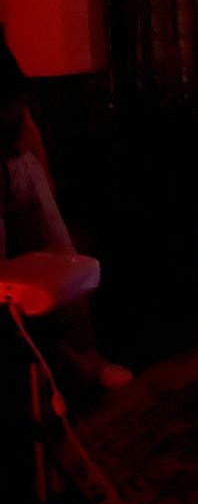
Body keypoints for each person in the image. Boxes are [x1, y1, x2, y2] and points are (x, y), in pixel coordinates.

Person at [0, 38, 132, 390]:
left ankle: (82, 356)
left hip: (14, 177)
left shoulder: (18, 144)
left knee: (31, 177)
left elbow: (27, 138)